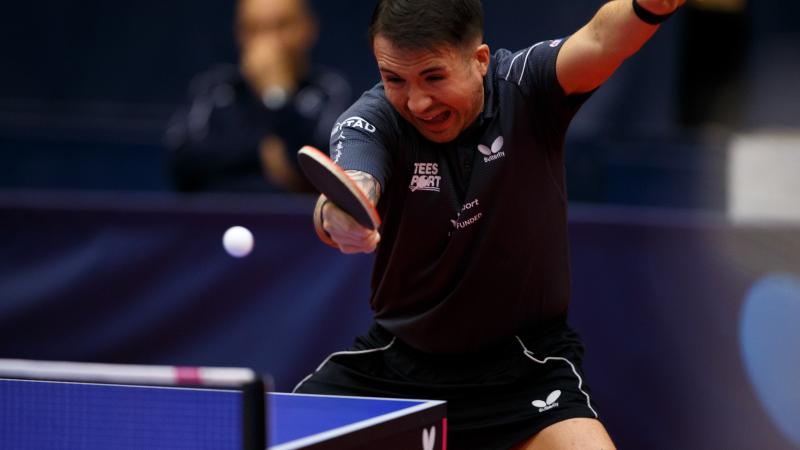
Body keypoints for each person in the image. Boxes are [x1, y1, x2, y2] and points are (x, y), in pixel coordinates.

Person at [295, 0, 684, 448]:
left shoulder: (527, 85)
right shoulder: (375, 118)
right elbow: (354, 179)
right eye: (394, 79)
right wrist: (339, 212)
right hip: (397, 367)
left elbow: (598, 39)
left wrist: (646, 9)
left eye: (434, 77)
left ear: (479, 61)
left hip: (524, 368)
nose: (417, 102)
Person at [164, 0, 352, 193]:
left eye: (282, 26)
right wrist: (259, 152)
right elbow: (182, 161)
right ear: (239, 33)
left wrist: (276, 95)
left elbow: (330, 168)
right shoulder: (213, 89)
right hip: (218, 218)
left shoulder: (330, 91)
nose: (269, 42)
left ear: (307, 28)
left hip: (296, 219)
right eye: (254, 29)